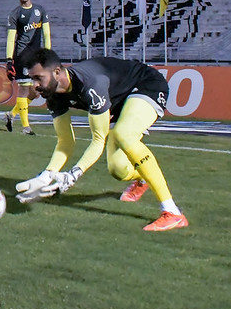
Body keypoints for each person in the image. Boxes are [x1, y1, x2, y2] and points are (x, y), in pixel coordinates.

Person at [15, 48, 188, 232]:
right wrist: (45, 176)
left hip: (147, 85)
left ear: (57, 72)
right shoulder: (53, 96)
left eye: (38, 78)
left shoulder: (91, 84)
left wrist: (74, 175)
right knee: (118, 170)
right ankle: (143, 179)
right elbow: (65, 142)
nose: (34, 86)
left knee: (124, 134)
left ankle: (172, 212)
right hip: (120, 101)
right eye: (32, 79)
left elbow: (98, 139)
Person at [4, 0, 51, 135]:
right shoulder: (15, 14)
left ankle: (11, 115)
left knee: (36, 92)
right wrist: (9, 59)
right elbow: (11, 38)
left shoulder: (40, 10)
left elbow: (46, 34)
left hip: (37, 57)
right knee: (24, 90)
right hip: (22, 55)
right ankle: (26, 127)